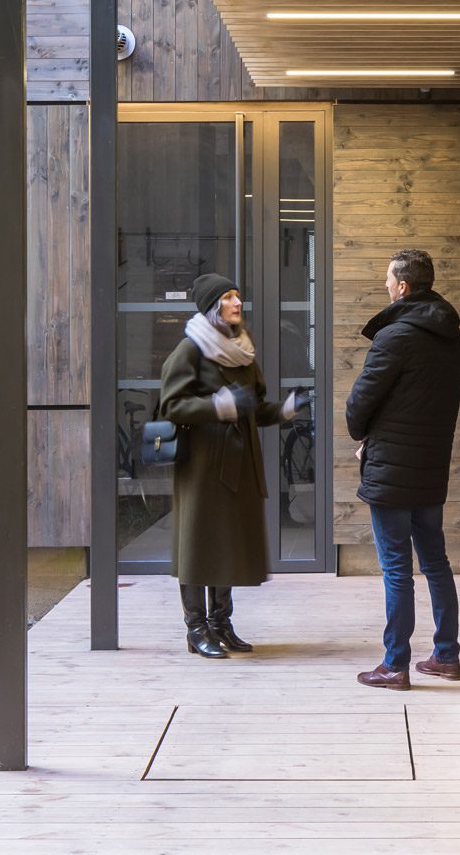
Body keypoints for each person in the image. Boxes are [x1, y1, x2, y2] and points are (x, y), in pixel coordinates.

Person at [157, 272, 306, 659]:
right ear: (211, 307)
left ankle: (222, 623)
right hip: (202, 465)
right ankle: (196, 628)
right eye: (227, 297)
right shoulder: (191, 350)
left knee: (223, 545)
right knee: (197, 544)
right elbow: (171, 405)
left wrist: (287, 410)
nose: (237, 303)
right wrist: (218, 407)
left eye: (237, 295)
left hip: (238, 465)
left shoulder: (242, 349)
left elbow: (254, 409)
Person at [344, 247, 460, 690]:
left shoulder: (395, 337)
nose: (385, 287)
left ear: (402, 287)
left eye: (387, 281)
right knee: (436, 562)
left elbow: (361, 404)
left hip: (392, 472)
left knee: (396, 567)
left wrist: (367, 438)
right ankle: (446, 657)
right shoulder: (454, 338)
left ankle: (395, 664)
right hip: (431, 468)